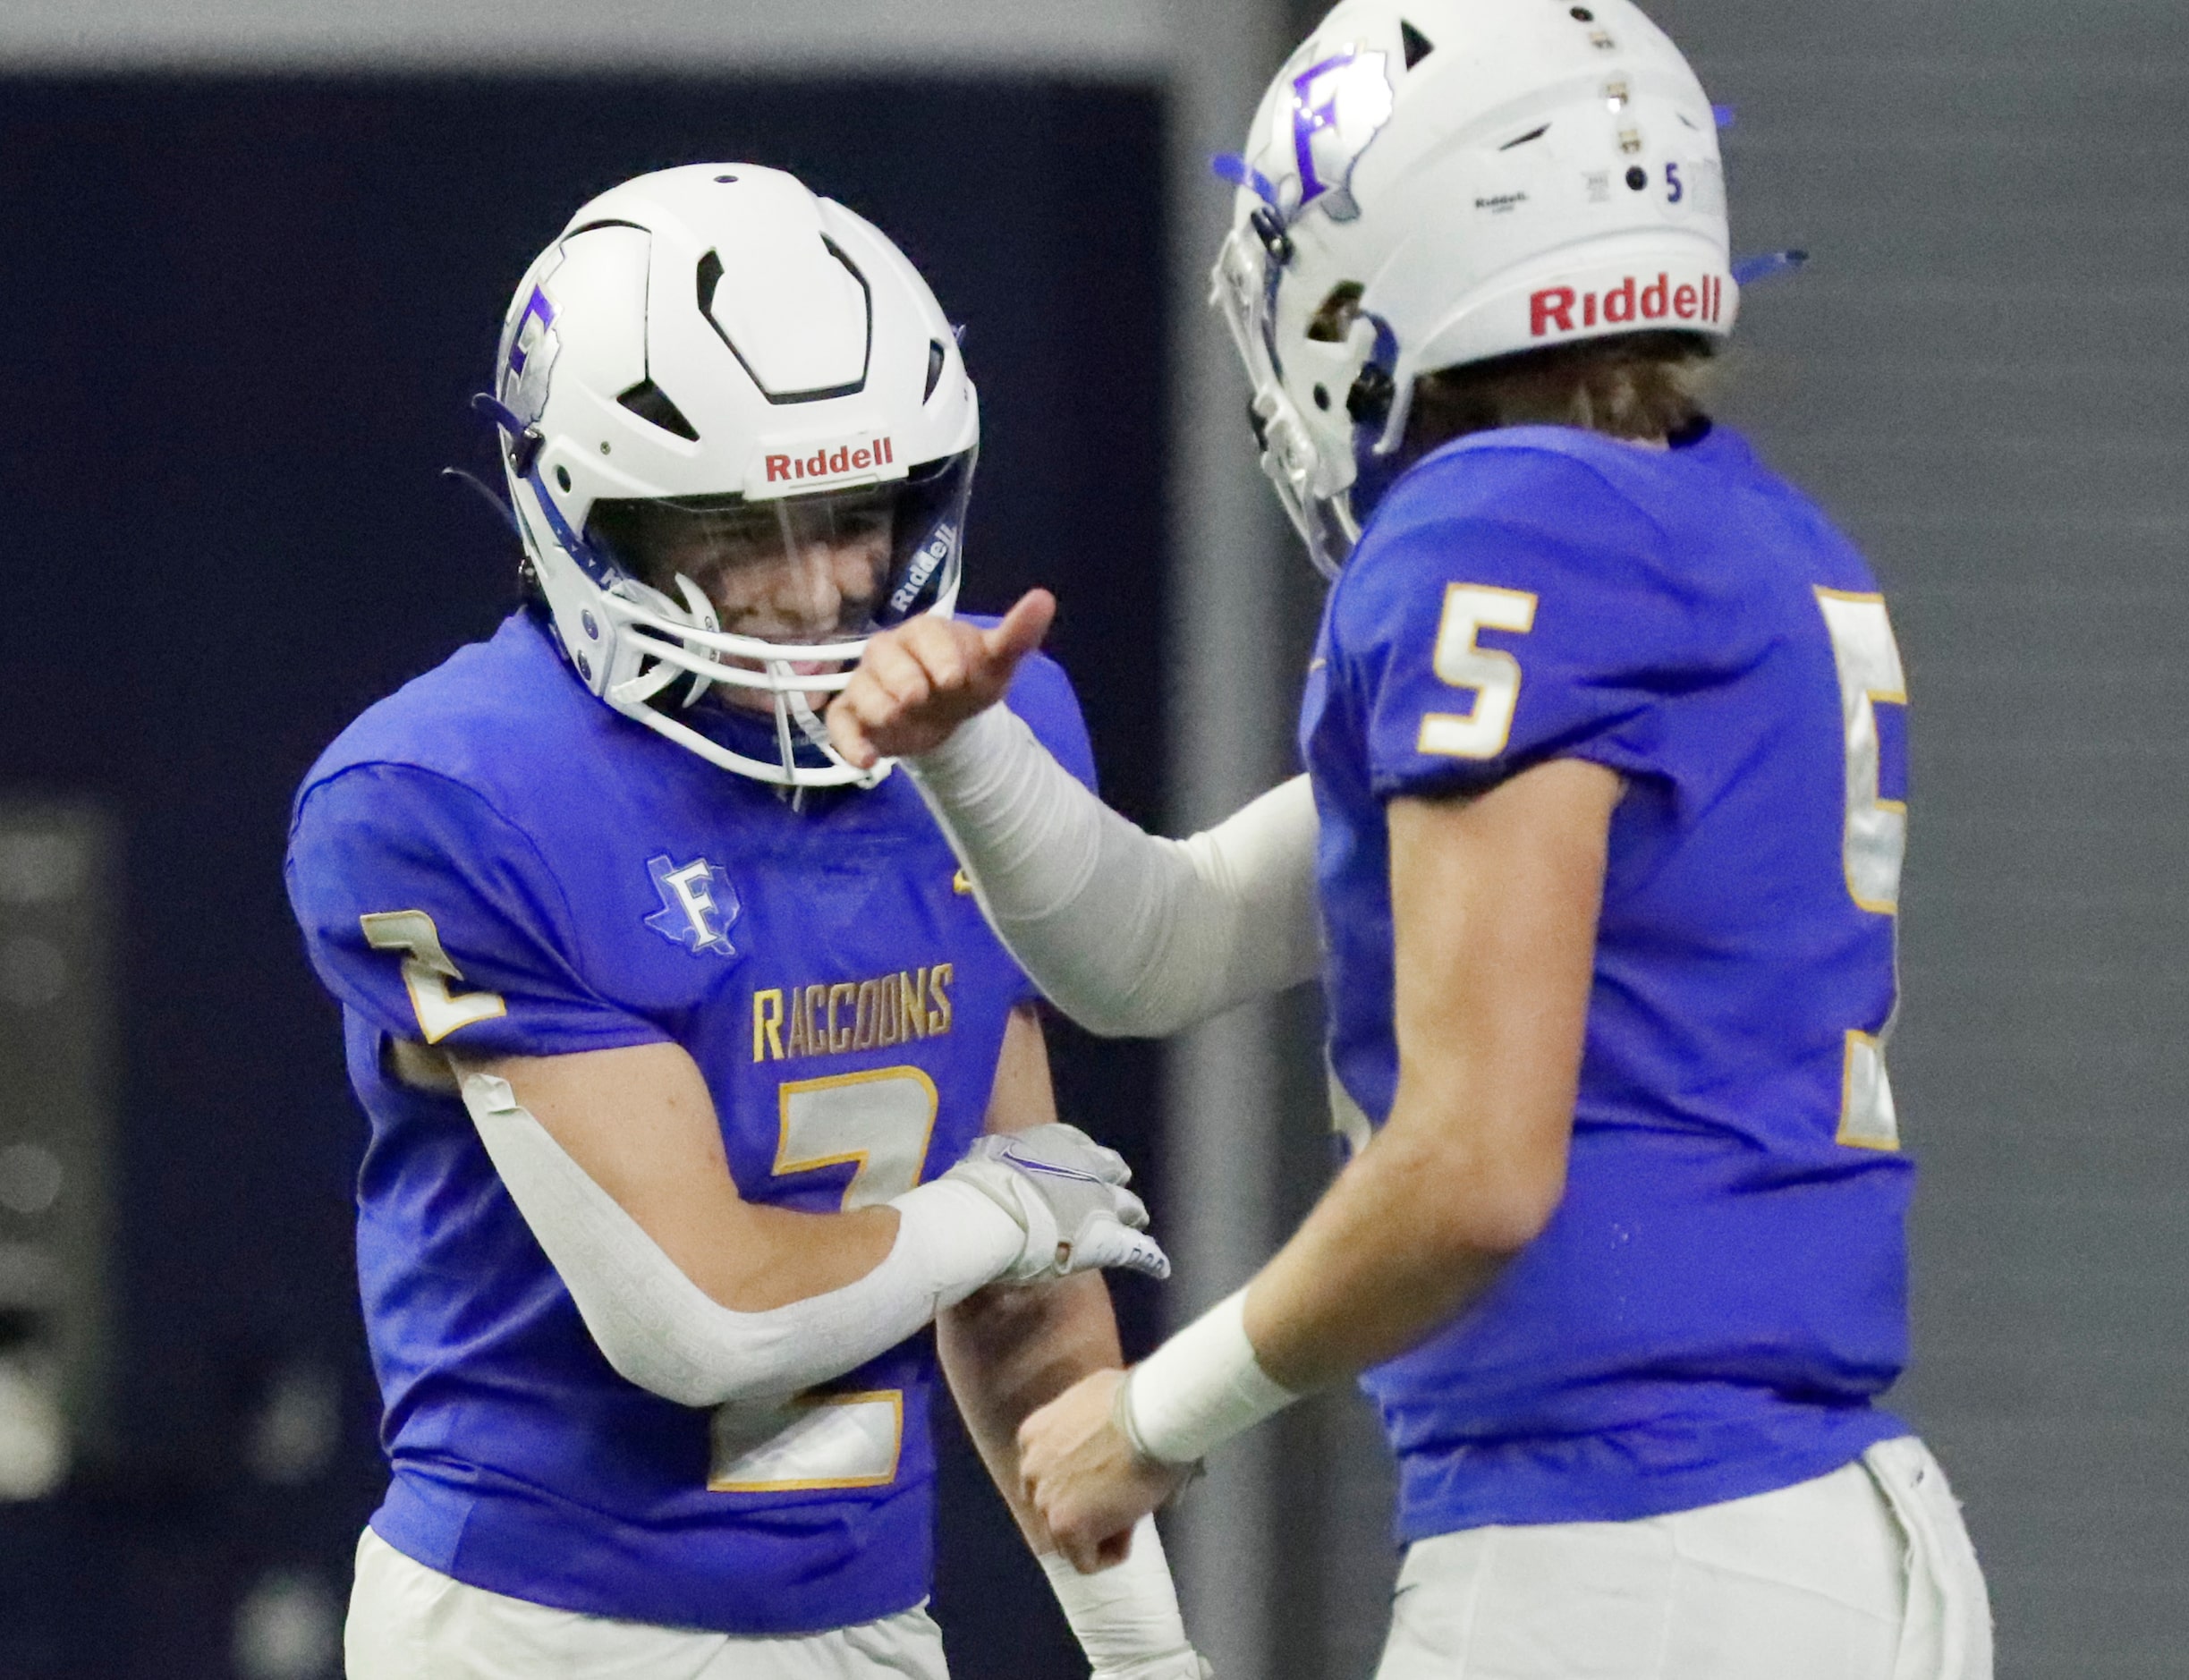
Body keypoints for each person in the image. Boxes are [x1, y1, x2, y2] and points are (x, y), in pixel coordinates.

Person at [825, 3, 1997, 1675]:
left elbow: (1470, 1168)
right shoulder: (1736, 538)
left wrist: (1153, 1408)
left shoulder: (1494, 529)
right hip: (1833, 1534)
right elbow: (1163, 943)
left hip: (1626, 1550)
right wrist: (962, 751)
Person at [284, 164, 1213, 1680]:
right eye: (733, 527)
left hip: (863, 1609)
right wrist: (998, 1208)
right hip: (552, 1630)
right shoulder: (451, 794)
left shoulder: (989, 726)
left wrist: (1143, 1653)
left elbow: (1030, 1288)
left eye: (852, 516)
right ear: (584, 516)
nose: (810, 590)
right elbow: (707, 1313)